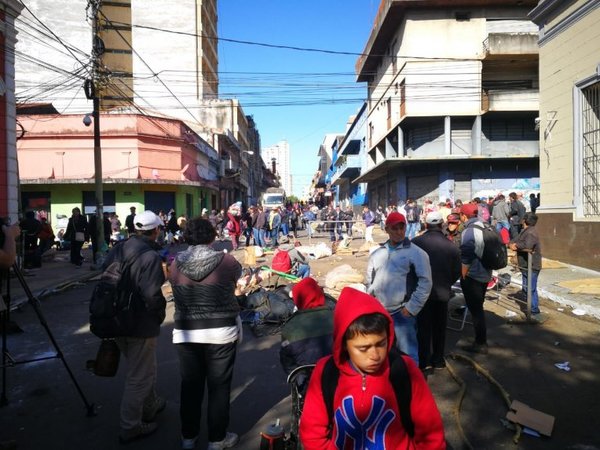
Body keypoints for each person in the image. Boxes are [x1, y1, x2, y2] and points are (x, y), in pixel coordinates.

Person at [299, 287, 445, 449]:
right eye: (363, 348)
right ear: (344, 344)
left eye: (381, 344)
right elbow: (312, 434)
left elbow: (431, 433)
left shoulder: (403, 369)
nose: (375, 355)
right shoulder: (326, 372)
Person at [168, 217, 242, 450]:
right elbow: (237, 278)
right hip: (221, 332)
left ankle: (188, 438)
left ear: (187, 237)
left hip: (186, 333)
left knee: (190, 386)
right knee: (219, 387)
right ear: (211, 236)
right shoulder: (226, 260)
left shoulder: (174, 264)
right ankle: (217, 440)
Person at [102, 210, 167, 444]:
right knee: (139, 375)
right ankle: (130, 426)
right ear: (156, 231)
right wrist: (159, 313)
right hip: (138, 322)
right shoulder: (150, 257)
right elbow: (152, 294)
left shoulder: (119, 248)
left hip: (115, 318)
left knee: (142, 367)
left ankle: (150, 405)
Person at [366, 212, 432, 364]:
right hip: (380, 312)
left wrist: (411, 308)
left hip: (402, 313)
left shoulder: (416, 253)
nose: (399, 232)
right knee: (381, 353)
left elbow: (426, 282)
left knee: (408, 356)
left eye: (402, 227)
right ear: (387, 229)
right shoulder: (377, 253)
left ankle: (411, 385)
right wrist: (371, 302)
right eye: (394, 228)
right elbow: (369, 280)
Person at [412, 212, 461, 372]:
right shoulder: (451, 246)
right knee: (440, 328)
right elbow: (457, 271)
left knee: (423, 327)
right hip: (442, 293)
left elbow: (409, 269)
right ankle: (438, 359)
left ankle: (423, 359)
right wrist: (446, 283)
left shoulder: (416, 243)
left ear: (426, 225)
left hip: (421, 294)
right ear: (442, 225)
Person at [280, 277, 333, 377]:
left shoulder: (290, 325)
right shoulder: (337, 317)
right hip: (337, 380)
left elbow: (286, 359)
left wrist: (297, 378)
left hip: (306, 381)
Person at [459, 203, 492, 354]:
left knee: (476, 310)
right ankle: (481, 340)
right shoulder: (486, 225)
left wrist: (462, 276)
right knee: (478, 307)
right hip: (486, 273)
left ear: (463, 216)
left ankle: (480, 343)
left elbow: (466, 257)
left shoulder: (469, 231)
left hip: (474, 276)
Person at [509, 212, 543, 318]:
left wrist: (516, 246)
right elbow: (515, 240)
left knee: (531, 288)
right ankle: (530, 307)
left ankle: (534, 311)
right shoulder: (525, 231)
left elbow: (527, 245)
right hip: (525, 265)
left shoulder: (531, 232)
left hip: (532, 265)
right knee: (526, 288)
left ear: (524, 220)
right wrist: (512, 243)